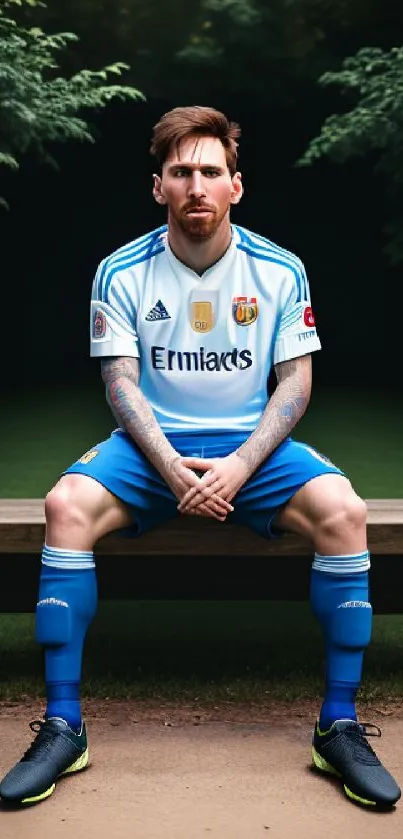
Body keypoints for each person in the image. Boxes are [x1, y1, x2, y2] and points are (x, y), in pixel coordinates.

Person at [0, 105, 400, 810]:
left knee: (344, 511)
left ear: (235, 186)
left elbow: (295, 382)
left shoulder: (278, 269)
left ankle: (335, 722)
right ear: (157, 186)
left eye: (210, 171)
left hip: (252, 449)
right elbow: (120, 382)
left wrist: (241, 465)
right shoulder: (121, 270)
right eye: (180, 171)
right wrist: (171, 468)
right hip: (151, 449)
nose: (196, 186)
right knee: (64, 506)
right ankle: (64, 723)